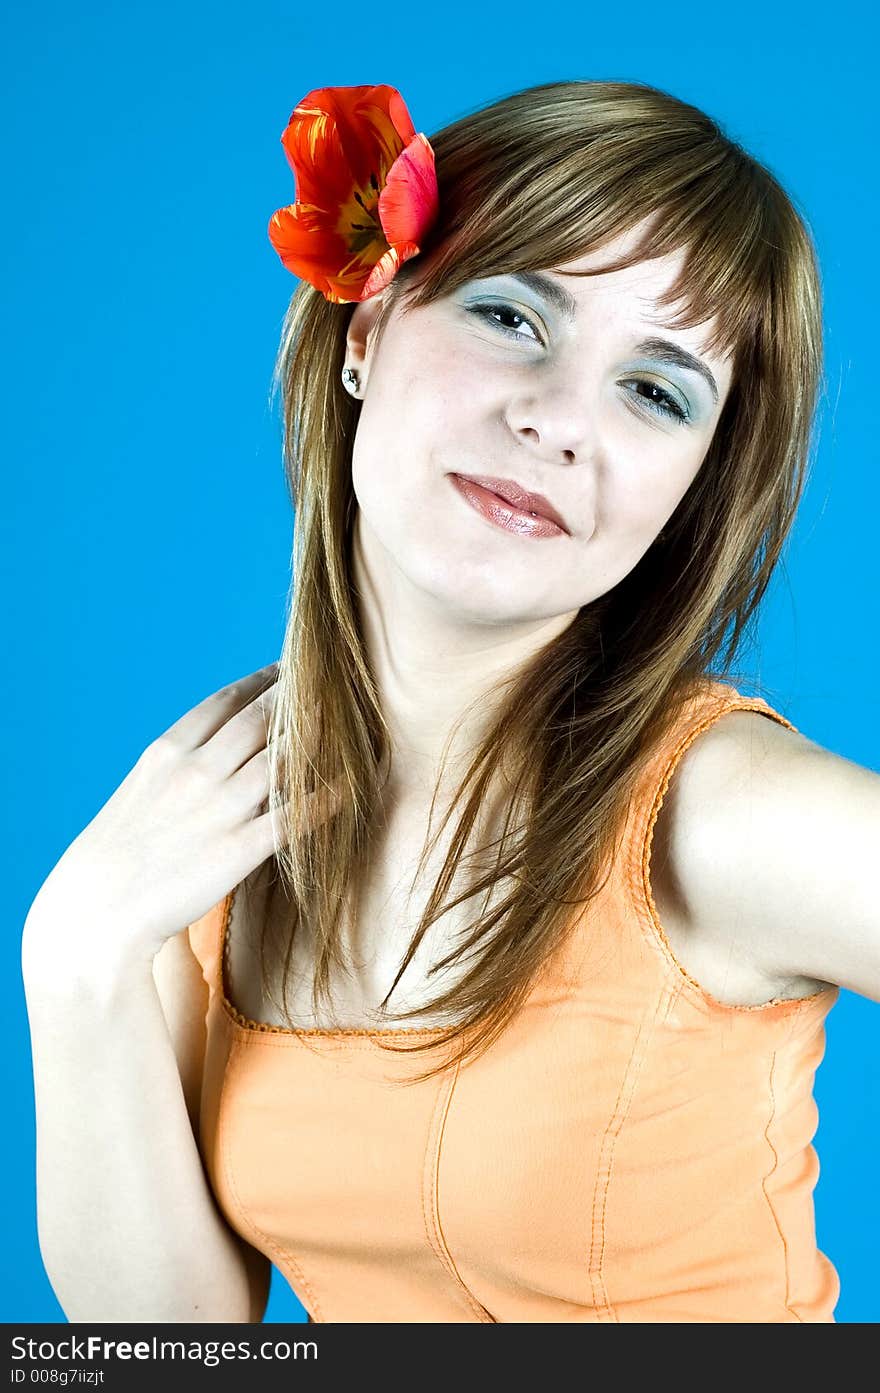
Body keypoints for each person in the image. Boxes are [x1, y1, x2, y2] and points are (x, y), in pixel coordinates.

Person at [22, 78, 879, 1325]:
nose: (555, 420)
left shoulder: (719, 817)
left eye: (656, 391)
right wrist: (75, 961)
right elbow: (178, 1351)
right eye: (511, 316)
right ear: (362, 331)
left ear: (692, 488)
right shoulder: (213, 818)